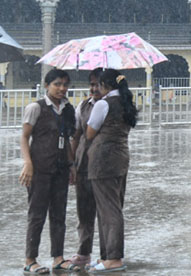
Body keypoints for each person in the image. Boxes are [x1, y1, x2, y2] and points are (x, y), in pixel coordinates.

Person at [20, 69, 76, 275]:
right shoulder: (36, 108)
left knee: (59, 213)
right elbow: (24, 137)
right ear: (47, 85)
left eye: (65, 85)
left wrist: (72, 166)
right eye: (57, 84)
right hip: (40, 169)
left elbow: (68, 142)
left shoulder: (68, 110)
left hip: (60, 170)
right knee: (37, 214)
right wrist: (28, 163)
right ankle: (30, 259)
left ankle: (58, 258)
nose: (62, 89)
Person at [85, 68, 138, 273]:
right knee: (111, 208)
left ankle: (113, 258)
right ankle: (106, 256)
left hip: (102, 161)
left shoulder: (103, 104)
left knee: (109, 211)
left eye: (98, 84)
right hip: (120, 158)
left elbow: (90, 132)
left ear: (104, 85)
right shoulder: (125, 103)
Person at [65, 68, 103, 272]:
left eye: (98, 84)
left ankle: (109, 254)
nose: (93, 88)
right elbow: (76, 135)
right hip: (83, 164)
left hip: (105, 167)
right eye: (91, 84)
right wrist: (72, 163)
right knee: (84, 209)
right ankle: (84, 251)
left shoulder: (113, 106)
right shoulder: (83, 106)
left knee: (107, 212)